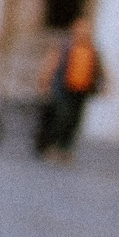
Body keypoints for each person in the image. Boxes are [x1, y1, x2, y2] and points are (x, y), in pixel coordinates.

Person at [34, 16, 100, 160]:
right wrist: (44, 83)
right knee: (61, 117)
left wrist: (104, 84)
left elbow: (98, 69)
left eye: (87, 29)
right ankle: (50, 146)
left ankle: (65, 148)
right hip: (63, 89)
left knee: (74, 120)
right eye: (82, 28)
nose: (84, 32)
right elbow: (51, 64)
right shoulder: (65, 46)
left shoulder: (91, 49)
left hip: (81, 90)